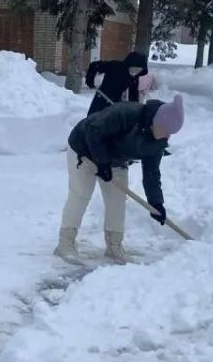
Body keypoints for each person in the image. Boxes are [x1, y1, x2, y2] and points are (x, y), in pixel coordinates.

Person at [54, 95, 185, 264]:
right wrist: (102, 163)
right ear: (155, 121)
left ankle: (114, 246)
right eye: (166, 130)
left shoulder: (158, 142)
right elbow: (94, 130)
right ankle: (65, 243)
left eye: (171, 133)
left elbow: (152, 173)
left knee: (117, 200)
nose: (168, 136)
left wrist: (156, 204)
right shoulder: (126, 113)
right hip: (84, 149)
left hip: (115, 160)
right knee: (81, 194)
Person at [84, 50, 149, 115]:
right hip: (102, 97)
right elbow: (94, 65)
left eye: (139, 71)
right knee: (93, 119)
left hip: (116, 101)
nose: (135, 73)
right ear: (129, 64)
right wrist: (90, 80)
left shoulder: (134, 77)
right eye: (135, 69)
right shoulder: (115, 66)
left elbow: (133, 93)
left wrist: (135, 108)